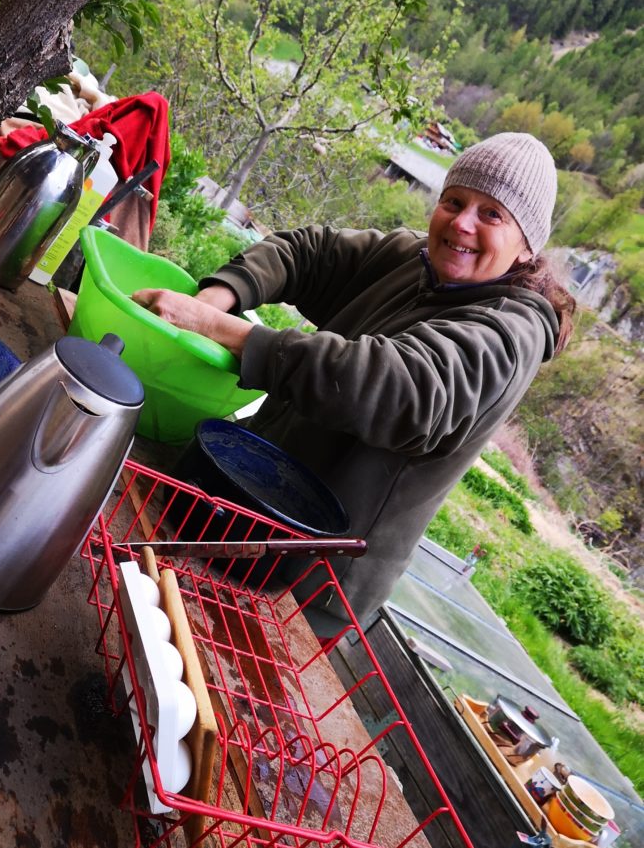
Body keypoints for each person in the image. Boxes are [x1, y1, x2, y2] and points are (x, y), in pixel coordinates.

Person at [133, 132, 576, 637]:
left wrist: (225, 332)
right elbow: (308, 252)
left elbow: (398, 387)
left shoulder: (508, 333)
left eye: (492, 214)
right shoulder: (414, 263)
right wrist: (220, 296)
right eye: (454, 201)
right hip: (248, 504)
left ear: (526, 247)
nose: (462, 222)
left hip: (304, 583)